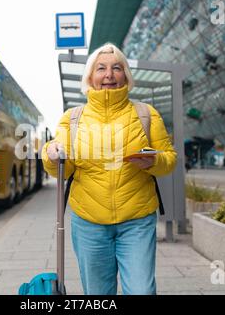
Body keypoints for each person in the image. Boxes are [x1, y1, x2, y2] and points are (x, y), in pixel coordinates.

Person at [41, 43, 177, 295]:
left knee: (142, 291)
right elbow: (62, 166)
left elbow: (169, 159)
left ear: (126, 74)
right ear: (90, 76)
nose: (109, 75)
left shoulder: (147, 114)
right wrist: (51, 154)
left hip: (136, 221)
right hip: (89, 223)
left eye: (117, 68)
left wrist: (155, 161)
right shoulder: (72, 118)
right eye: (101, 68)